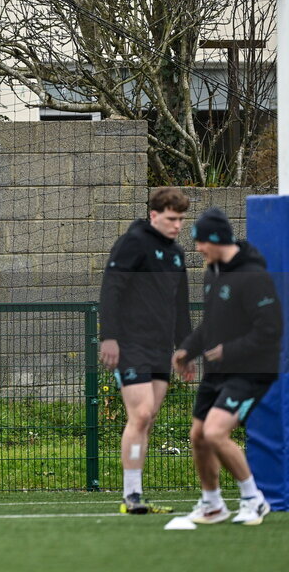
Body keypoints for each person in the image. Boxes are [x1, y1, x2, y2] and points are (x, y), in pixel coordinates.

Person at [173, 207, 282, 526]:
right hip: (217, 372)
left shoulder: (253, 277)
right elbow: (209, 326)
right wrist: (186, 351)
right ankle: (212, 504)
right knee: (198, 436)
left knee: (216, 432)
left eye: (201, 242)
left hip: (252, 371)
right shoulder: (213, 273)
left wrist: (227, 350)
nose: (197, 249)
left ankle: (253, 499)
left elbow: (271, 329)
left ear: (218, 239)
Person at [99, 187, 192, 514]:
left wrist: (185, 348)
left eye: (181, 219)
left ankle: (136, 492)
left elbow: (180, 304)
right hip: (130, 344)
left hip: (160, 348)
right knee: (139, 414)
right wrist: (108, 336)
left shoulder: (177, 254)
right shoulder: (133, 242)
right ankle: (131, 496)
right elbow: (111, 286)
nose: (177, 225)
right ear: (154, 215)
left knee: (148, 419)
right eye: (171, 218)